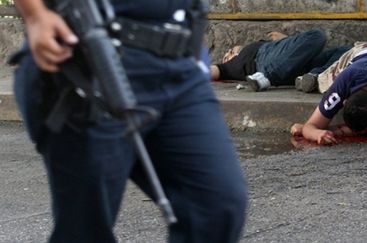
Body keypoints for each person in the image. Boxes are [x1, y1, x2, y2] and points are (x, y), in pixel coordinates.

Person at [12, 0, 247, 242]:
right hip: (90, 60)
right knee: (86, 228)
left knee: (217, 205)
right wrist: (36, 15)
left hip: (181, 62)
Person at [290, 43, 367, 145]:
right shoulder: (345, 80)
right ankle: (313, 77)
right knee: (325, 81)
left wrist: (317, 131)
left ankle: (315, 76)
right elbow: (310, 127)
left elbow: (366, 128)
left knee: (328, 82)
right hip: (365, 51)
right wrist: (316, 133)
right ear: (344, 101)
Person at [210, 29, 351, 92]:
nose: (229, 52)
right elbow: (213, 70)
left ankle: (312, 77)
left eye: (229, 50)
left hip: (295, 68)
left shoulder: (259, 44)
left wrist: (286, 40)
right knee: (317, 35)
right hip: (264, 60)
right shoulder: (232, 65)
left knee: (346, 51)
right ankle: (267, 77)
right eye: (227, 55)